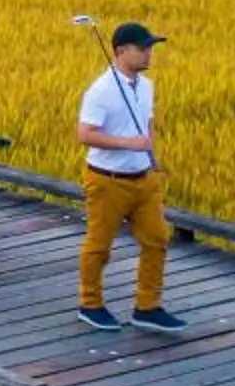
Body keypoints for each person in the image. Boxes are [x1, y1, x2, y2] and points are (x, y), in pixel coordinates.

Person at [76, 22, 183, 331]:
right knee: (99, 245)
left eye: (150, 47)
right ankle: (90, 303)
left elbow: (146, 122)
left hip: (143, 178)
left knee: (158, 239)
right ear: (121, 51)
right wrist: (127, 143)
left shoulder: (146, 85)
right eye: (143, 48)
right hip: (107, 179)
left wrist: (152, 157)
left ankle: (147, 306)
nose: (149, 54)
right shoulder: (102, 90)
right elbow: (85, 134)